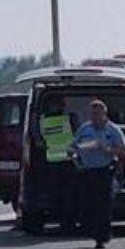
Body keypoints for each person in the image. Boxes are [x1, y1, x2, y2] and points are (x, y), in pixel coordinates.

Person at [71, 100, 125, 249]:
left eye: (97, 113)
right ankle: (90, 229)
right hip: (87, 171)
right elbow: (73, 146)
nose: (94, 117)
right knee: (87, 204)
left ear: (105, 114)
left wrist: (107, 149)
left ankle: (101, 237)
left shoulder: (113, 130)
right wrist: (73, 151)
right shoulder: (84, 129)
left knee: (103, 205)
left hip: (105, 171)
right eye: (92, 113)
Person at [39, 99, 78, 231]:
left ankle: (61, 220)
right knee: (70, 195)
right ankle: (69, 222)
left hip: (51, 160)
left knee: (57, 195)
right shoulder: (68, 119)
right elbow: (77, 135)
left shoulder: (43, 121)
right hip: (68, 161)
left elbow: (40, 140)